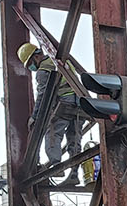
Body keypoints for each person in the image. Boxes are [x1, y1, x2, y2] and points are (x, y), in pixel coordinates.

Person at [18, 42, 87, 186]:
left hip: (65, 103)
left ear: (35, 57)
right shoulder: (62, 61)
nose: (32, 67)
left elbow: (42, 96)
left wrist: (35, 117)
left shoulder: (43, 71)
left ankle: (56, 167)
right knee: (75, 139)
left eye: (31, 63)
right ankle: (74, 174)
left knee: (52, 132)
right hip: (82, 103)